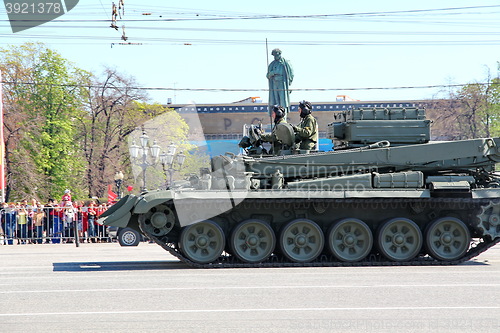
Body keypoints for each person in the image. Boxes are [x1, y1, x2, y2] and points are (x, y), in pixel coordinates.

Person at [267, 48, 294, 117]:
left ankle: (283, 116)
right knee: (276, 101)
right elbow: (268, 75)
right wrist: (272, 73)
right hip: (274, 84)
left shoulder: (285, 63)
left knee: (283, 101)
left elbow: (291, 73)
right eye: (274, 55)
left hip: (282, 83)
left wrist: (289, 84)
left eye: (276, 55)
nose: (275, 57)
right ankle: (277, 116)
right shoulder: (272, 64)